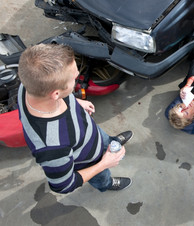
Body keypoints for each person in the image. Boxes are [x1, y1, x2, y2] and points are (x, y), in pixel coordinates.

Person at [17, 43, 133, 194]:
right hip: (89, 160)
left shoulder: (31, 83)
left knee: (105, 140)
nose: (77, 78)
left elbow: (55, 91)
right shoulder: (52, 148)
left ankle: (110, 143)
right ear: (56, 94)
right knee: (101, 177)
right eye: (74, 79)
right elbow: (64, 185)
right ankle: (107, 183)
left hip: (89, 133)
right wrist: (104, 163)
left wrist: (75, 102)